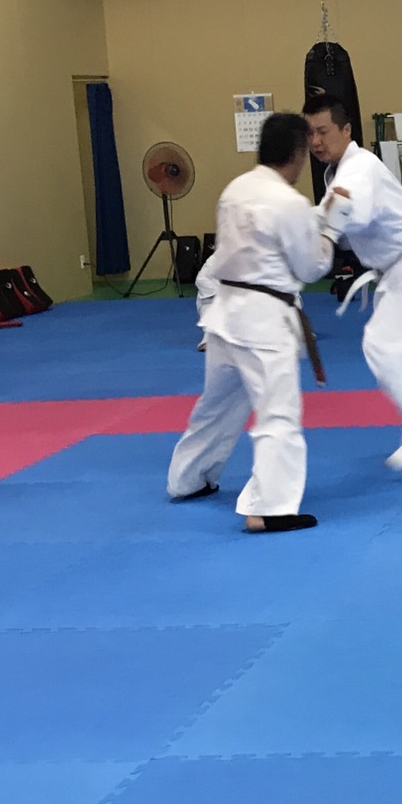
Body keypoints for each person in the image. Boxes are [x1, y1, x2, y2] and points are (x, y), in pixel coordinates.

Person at [167, 113, 335, 533]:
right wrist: (329, 232)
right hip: (263, 321)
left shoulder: (235, 190)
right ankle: (269, 508)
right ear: (297, 154)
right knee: (278, 413)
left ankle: (187, 479)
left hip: (223, 314)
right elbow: (311, 267)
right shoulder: (289, 202)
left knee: (217, 406)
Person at [304, 91, 402, 470]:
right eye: (310, 134)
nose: (316, 141)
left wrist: (319, 227)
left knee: (383, 346)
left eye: (323, 131)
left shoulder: (358, 167)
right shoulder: (340, 172)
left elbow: (349, 211)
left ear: (346, 130)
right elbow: (336, 215)